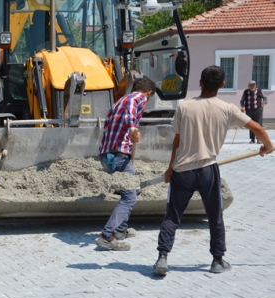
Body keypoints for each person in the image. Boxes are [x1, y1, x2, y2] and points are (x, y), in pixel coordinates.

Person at [153, 66, 273, 277]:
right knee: (215, 215)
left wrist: (170, 169)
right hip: (208, 170)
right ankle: (217, 260)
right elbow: (259, 129)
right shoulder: (227, 108)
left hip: (183, 171)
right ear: (222, 85)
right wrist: (268, 146)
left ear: (200, 83)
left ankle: (162, 257)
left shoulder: (185, 107)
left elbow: (177, 141)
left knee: (172, 215)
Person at [96, 78, 157, 251]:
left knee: (130, 189)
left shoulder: (119, 101)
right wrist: (133, 130)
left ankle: (121, 229)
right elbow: (131, 115)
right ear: (149, 93)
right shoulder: (136, 98)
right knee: (130, 196)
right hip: (119, 155)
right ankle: (107, 236)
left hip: (107, 155)